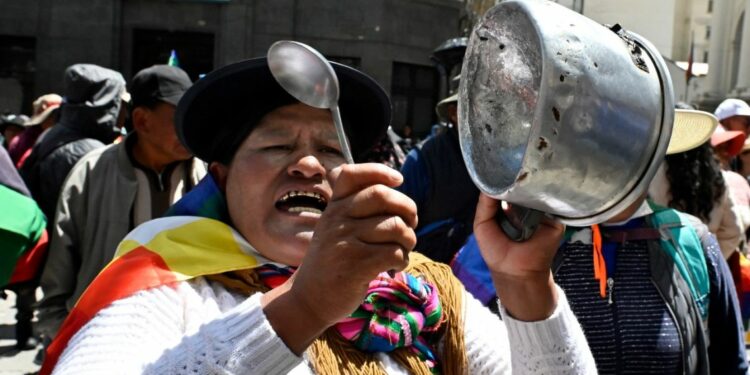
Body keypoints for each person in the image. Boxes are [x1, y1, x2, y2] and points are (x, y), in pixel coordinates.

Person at [41, 56, 596, 374]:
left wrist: (526, 284)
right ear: (222, 176)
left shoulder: (423, 291)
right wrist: (305, 303)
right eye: (277, 146)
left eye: (331, 150)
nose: (308, 165)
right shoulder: (167, 292)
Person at [452, 109, 748, 374]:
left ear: (655, 149)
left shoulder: (690, 240)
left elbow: (730, 363)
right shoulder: (525, 237)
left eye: (633, 139)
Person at [36, 65, 206, 348]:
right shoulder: (91, 172)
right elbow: (61, 262)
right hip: (100, 341)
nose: (191, 127)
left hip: (184, 340)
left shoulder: (209, 176)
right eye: (179, 117)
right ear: (141, 120)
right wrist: (63, 334)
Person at [20, 64, 128, 225]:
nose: (125, 113)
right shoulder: (91, 153)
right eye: (121, 104)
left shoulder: (54, 133)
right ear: (107, 106)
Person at [649, 107, 745, 258]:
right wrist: (708, 259)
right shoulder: (718, 178)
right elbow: (733, 231)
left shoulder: (654, 173)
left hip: (662, 259)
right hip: (702, 265)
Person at [398, 92, 480, 264]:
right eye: (482, 104)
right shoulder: (423, 159)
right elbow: (396, 228)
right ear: (453, 113)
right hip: (430, 277)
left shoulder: (506, 161)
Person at [0, 146, 48, 350]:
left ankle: (24, 334)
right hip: (22, 228)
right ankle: (24, 335)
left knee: (26, 292)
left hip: (18, 231)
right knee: (26, 292)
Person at [8, 94, 62, 168]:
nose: (52, 120)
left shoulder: (66, 139)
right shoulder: (19, 143)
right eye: (49, 116)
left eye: (58, 115)